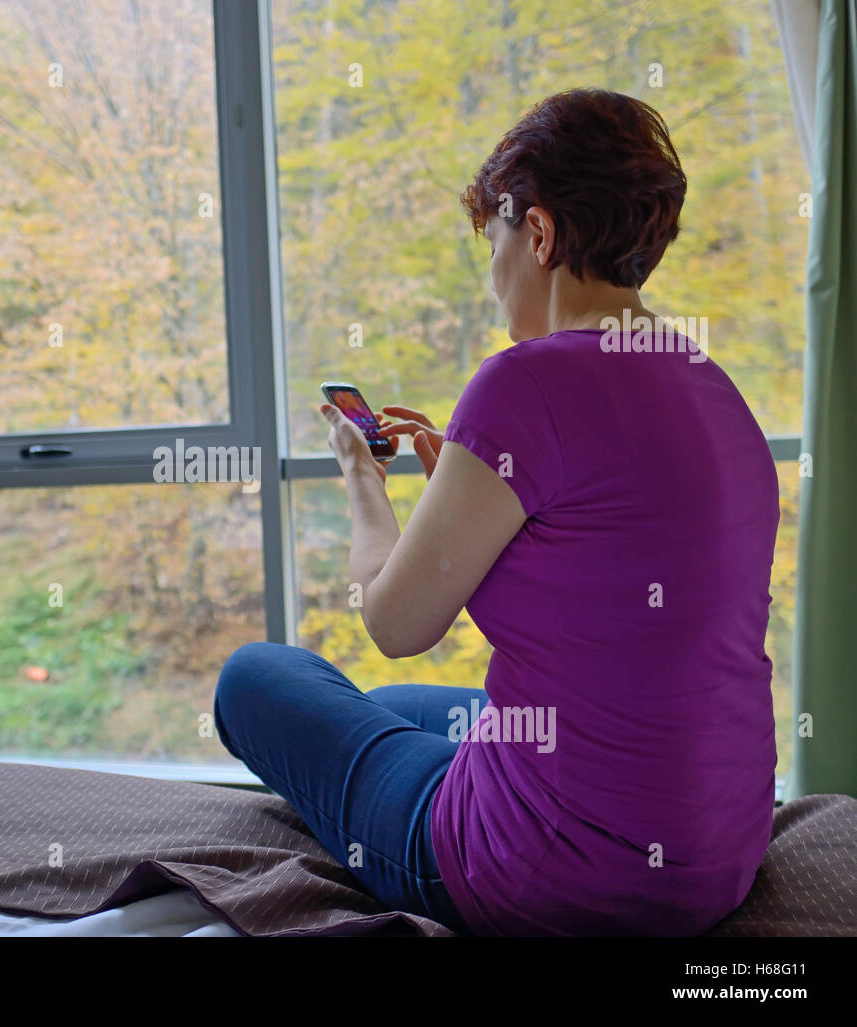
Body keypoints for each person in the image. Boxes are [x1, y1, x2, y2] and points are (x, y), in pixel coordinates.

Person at [213, 88, 780, 936]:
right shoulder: (710, 384)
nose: (492, 275)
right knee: (398, 702)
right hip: (715, 856)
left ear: (541, 233)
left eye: (496, 240)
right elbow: (607, 583)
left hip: (543, 872)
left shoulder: (525, 381)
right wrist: (473, 497)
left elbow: (394, 618)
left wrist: (364, 479)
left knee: (256, 678)